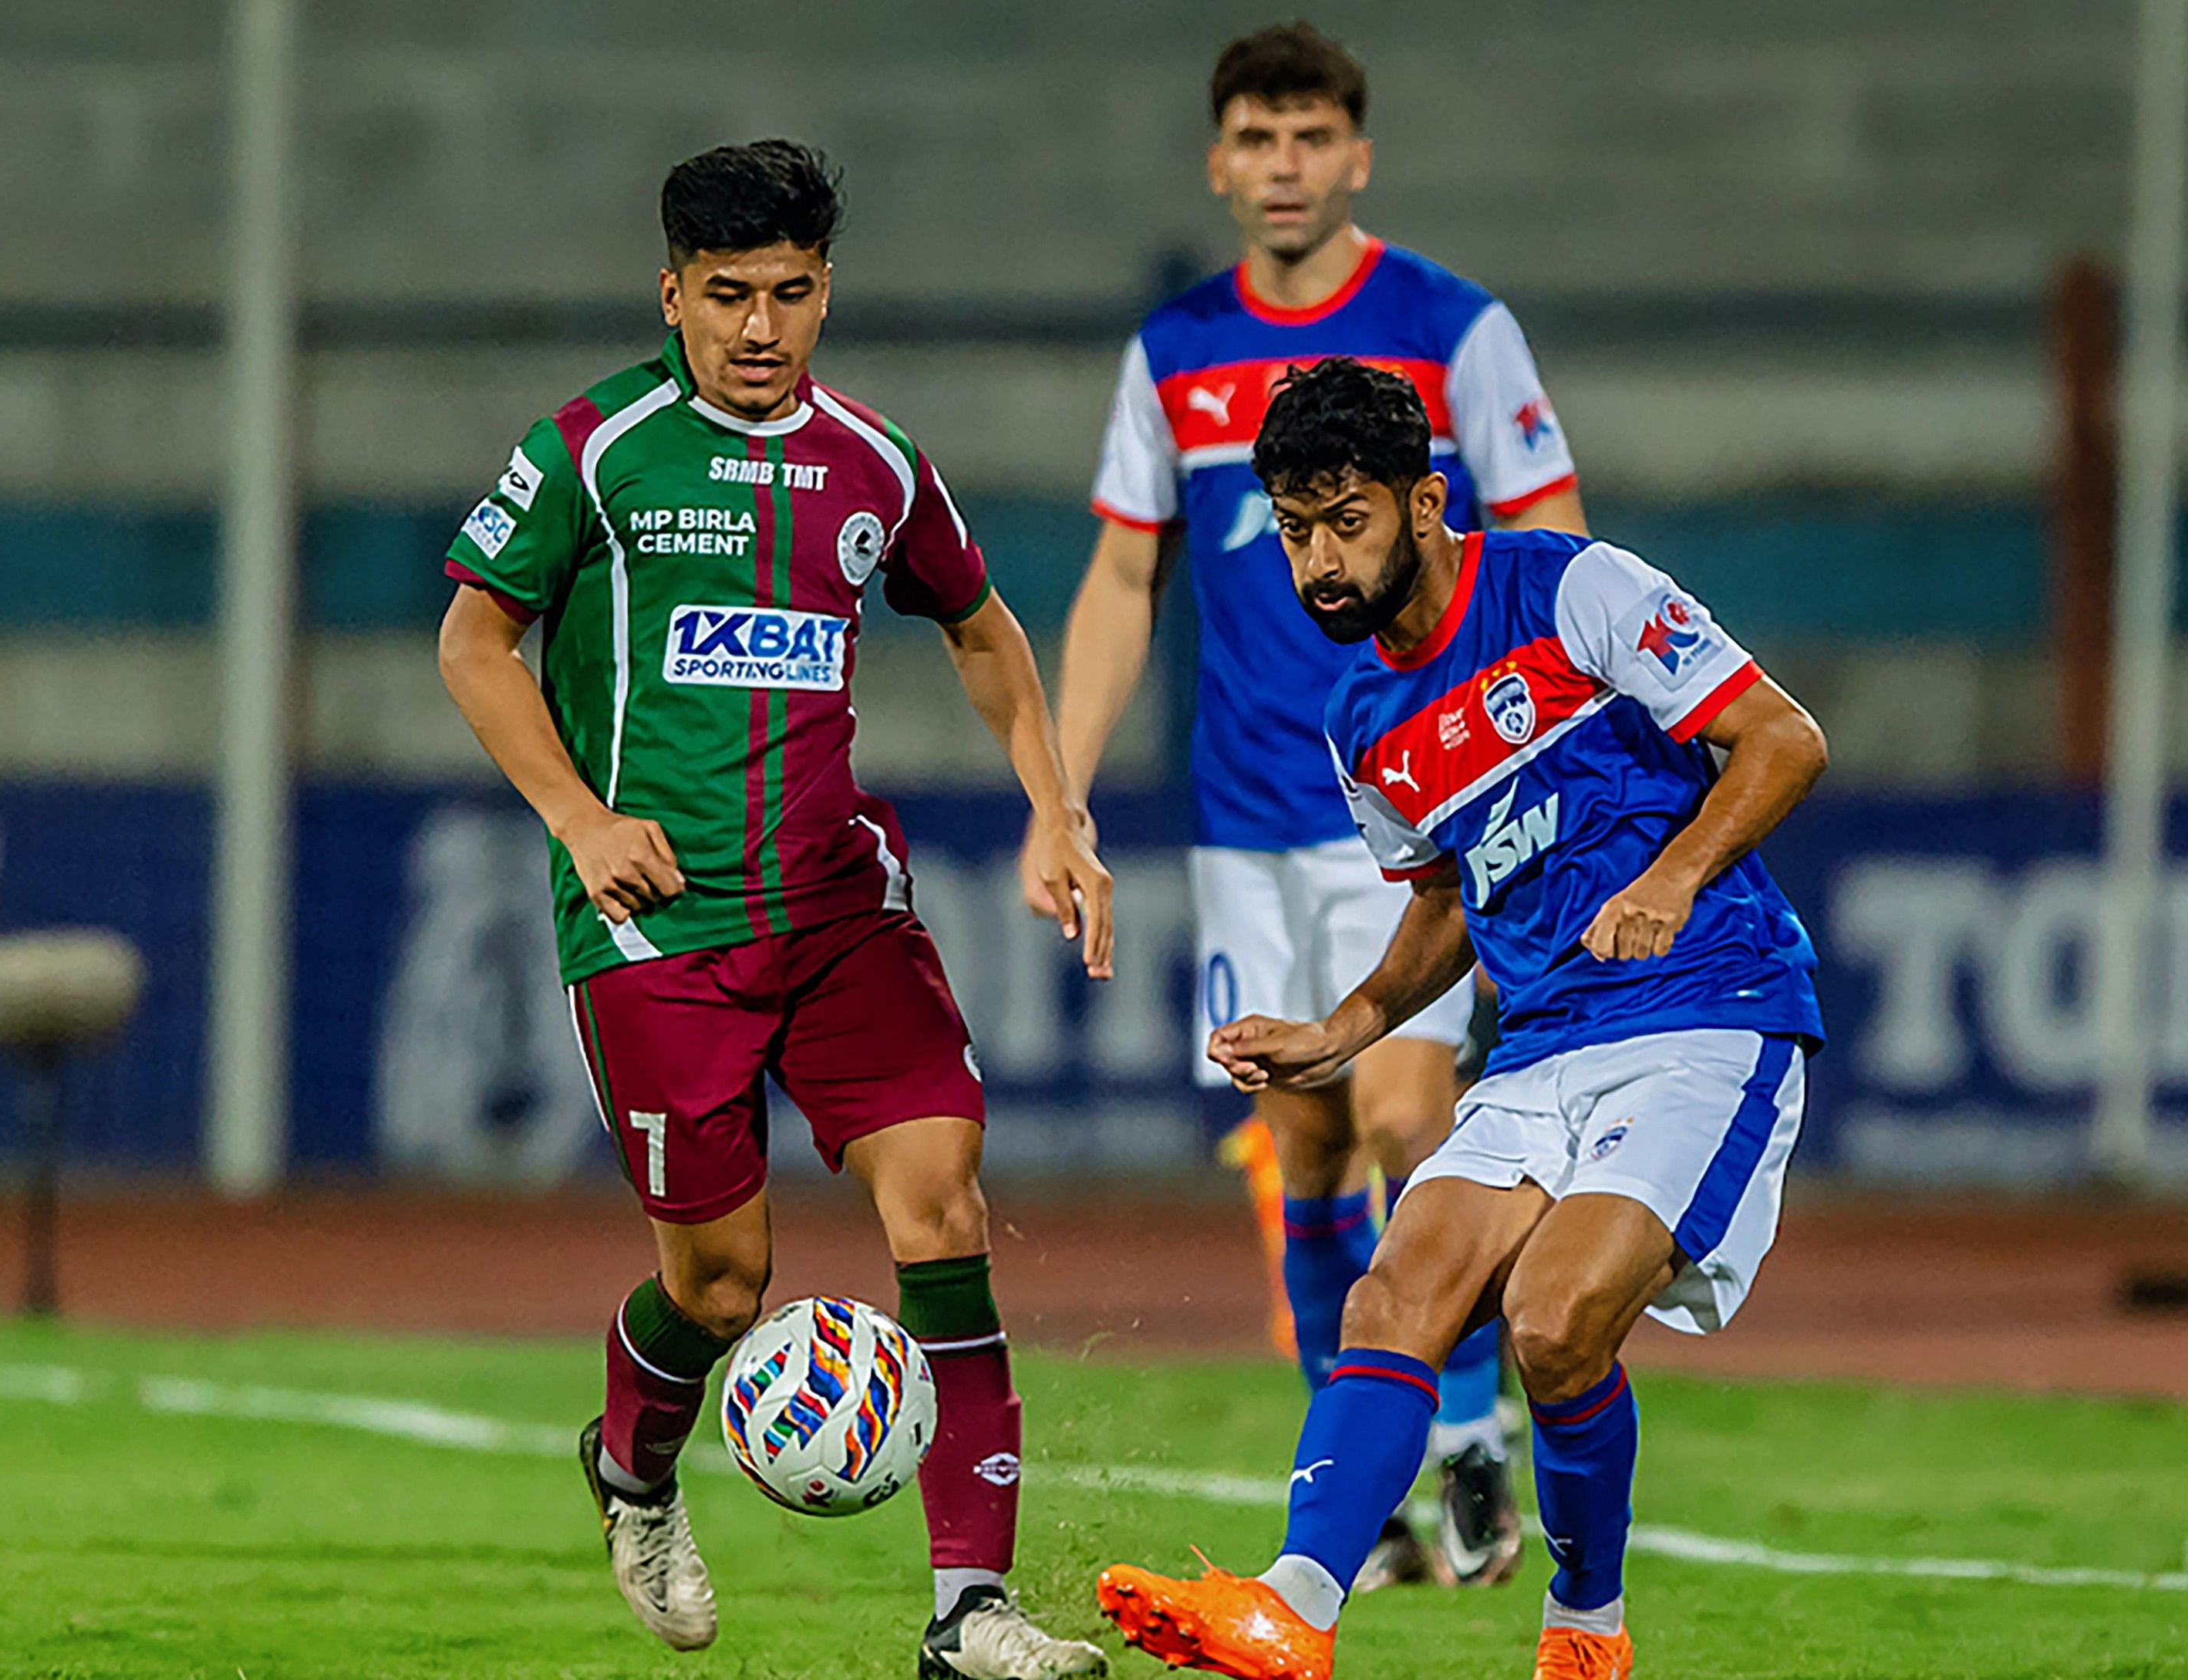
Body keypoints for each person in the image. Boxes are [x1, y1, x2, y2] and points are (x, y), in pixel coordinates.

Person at [434, 138, 1112, 1680]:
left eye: (790, 296)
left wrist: (1055, 807)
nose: (759, 329)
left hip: (835, 913)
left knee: (940, 1206)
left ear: (825, 293)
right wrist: (578, 816)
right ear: (669, 294)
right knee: (720, 1284)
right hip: (656, 928)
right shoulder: (596, 447)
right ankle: (631, 1468)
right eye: (727, 296)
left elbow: (988, 633)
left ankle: (969, 1613)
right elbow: (475, 642)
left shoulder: (877, 463)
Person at [1094, 359, 1827, 1680]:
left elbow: (1784, 738)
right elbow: (1446, 895)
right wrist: (1346, 1025)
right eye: (1297, 529)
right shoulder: (1362, 717)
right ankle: (1293, 1609)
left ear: (1425, 501)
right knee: (1395, 1295)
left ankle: (1586, 1631)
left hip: (1705, 1016)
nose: (1320, 559)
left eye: (1348, 520)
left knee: (1552, 1320)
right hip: (1542, 1041)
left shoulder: (1569, 587)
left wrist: (1671, 876)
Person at [1055, 20, 1587, 1590]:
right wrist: (1058, 793)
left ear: (1354, 154)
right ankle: (1346, 1502)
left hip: (1420, 799)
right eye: (1255, 138)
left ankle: (1475, 1441)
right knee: (1301, 1149)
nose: (1282, 166)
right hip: (1242, 819)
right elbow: (1120, 570)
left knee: (1412, 1113)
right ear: (1218, 163)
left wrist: (1535, 744)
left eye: (1310, 137)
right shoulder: (1172, 354)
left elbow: (1548, 536)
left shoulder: (1455, 328)